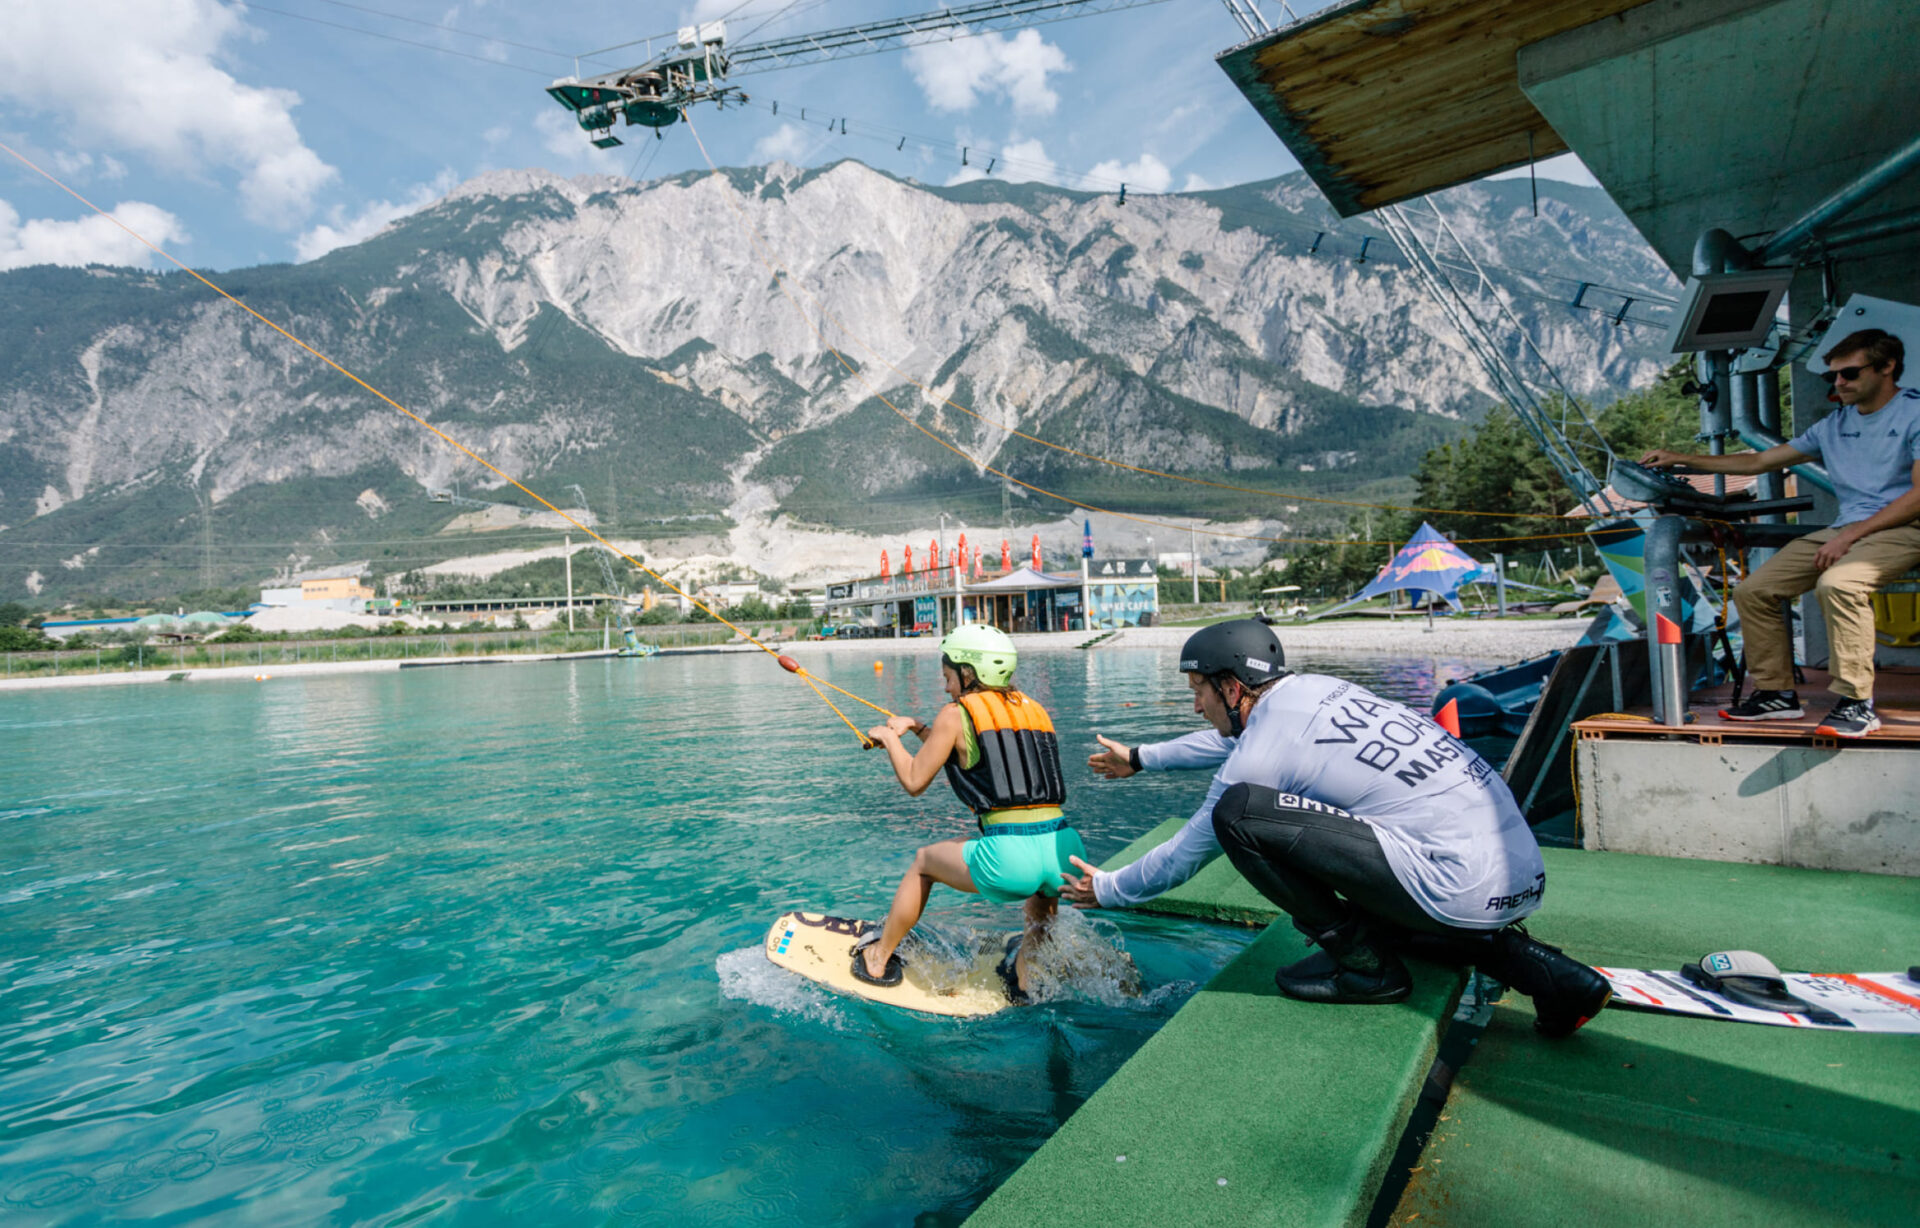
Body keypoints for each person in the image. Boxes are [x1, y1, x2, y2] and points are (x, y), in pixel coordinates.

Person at [1063, 620, 1611, 1037]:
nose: (1196, 704)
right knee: (1391, 903)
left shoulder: (1264, 744)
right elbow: (1236, 739)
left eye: (1198, 691)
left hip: (1457, 884)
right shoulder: (1315, 692)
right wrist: (1140, 757)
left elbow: (1188, 852)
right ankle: (1558, 980)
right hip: (1514, 874)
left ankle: (1366, 968)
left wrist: (1108, 888)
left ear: (1231, 688)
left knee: (1240, 814)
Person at [1640, 328, 1920, 737]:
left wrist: (1849, 536)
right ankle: (1776, 695)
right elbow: (1761, 461)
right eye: (1833, 377)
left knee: (1838, 583)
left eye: (1850, 374)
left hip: (1905, 525)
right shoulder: (1833, 425)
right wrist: (1681, 458)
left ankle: (1857, 704)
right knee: (1754, 591)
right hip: (1848, 529)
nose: (1839, 383)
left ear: (1887, 367)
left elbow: (1917, 497)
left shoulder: (1914, 413)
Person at [857, 624, 1084, 996]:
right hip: (1063, 852)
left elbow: (915, 780)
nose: (946, 687)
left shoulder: (956, 712)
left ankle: (879, 957)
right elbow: (978, 755)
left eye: (948, 677)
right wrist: (916, 728)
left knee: (923, 864)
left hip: (1011, 860)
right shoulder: (1033, 708)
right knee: (1039, 918)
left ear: (968, 672)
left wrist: (887, 739)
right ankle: (1028, 980)